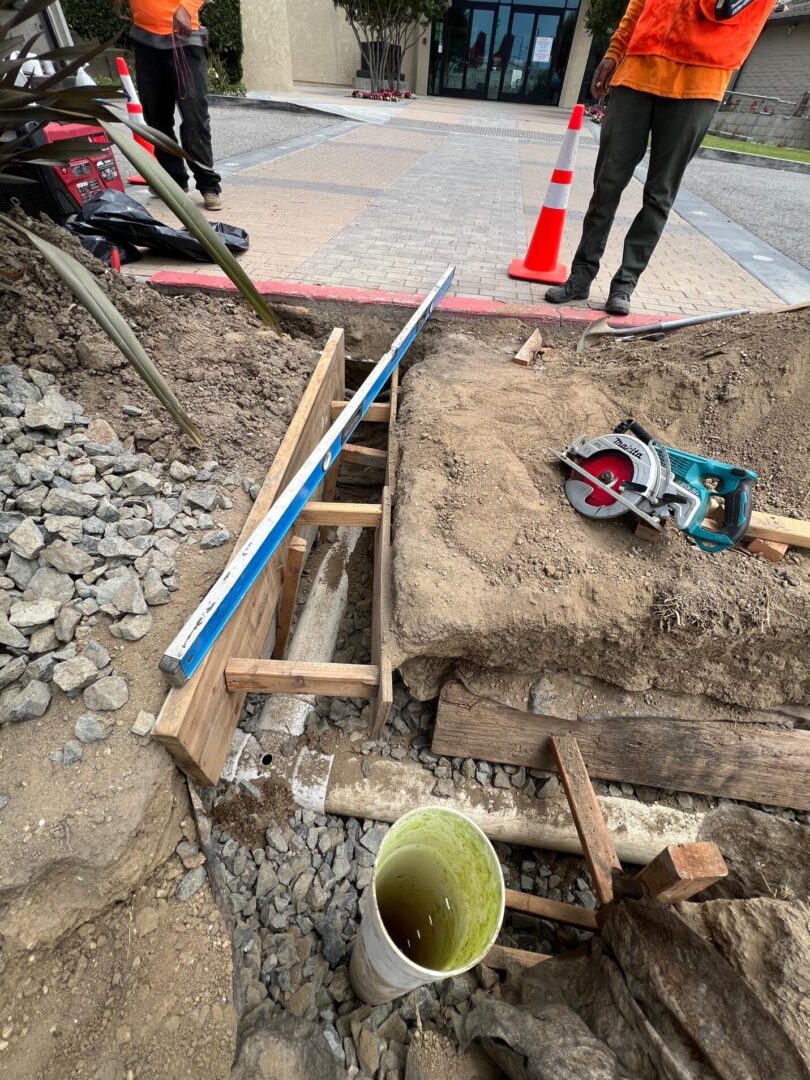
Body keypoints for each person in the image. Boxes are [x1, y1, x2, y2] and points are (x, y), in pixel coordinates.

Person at [545, 0, 774, 315]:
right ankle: (581, 276)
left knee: (659, 194)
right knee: (607, 183)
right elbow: (638, 5)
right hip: (638, 69)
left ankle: (624, 285)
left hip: (700, 79)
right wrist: (614, 52)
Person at [114, 0, 222, 211]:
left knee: (194, 117)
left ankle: (209, 185)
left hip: (184, 39)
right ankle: (174, 180)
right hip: (145, 39)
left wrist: (186, 7)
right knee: (156, 117)